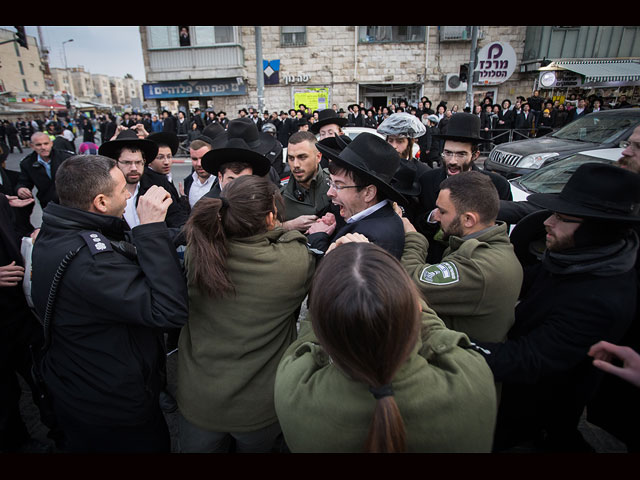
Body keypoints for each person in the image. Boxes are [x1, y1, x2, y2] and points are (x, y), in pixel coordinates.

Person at [476, 162, 640, 452]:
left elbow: (527, 359)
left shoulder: (602, 299)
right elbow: (520, 282)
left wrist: (450, 345)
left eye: (563, 218)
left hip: (532, 415)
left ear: (599, 229)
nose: (547, 222)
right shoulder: (576, 257)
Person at [274, 241, 497, 453]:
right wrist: (386, 281)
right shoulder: (471, 375)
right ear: (415, 312)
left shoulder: (293, 388)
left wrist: (332, 276)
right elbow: (435, 331)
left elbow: (307, 340)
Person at [31, 155, 188, 453]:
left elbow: (122, 242)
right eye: (122, 191)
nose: (129, 195)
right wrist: (151, 226)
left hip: (84, 380)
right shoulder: (90, 263)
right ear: (101, 202)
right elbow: (170, 311)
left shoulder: (62, 227)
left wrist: (187, 231)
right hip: (110, 403)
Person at [177, 175, 315, 453]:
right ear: (269, 218)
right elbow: (293, 242)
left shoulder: (198, 253)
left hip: (199, 399)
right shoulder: (294, 262)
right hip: (259, 407)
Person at [400, 171, 522, 345]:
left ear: (468, 220)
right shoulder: (484, 245)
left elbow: (410, 282)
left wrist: (413, 236)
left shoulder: (478, 266)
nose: (435, 216)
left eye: (442, 212)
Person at [415, 113, 512, 263]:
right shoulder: (427, 180)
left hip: (476, 266)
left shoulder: (498, 186)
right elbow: (417, 224)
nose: (452, 161)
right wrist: (432, 217)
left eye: (461, 154)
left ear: (475, 155)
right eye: (448, 153)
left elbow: (499, 234)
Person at [309, 133, 406, 259]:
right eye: (330, 182)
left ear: (368, 193)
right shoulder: (375, 218)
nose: (329, 193)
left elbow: (334, 275)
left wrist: (318, 237)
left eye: (338, 185)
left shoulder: (368, 240)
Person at [279, 131, 332, 232]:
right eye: (291, 158)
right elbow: (265, 230)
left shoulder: (337, 185)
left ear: (318, 157)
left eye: (302, 157)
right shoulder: (281, 197)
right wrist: (288, 226)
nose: (295, 165)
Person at [16, 132, 74, 210]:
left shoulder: (67, 158)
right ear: (32, 146)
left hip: (70, 202)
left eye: (46, 144)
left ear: (51, 144)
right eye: (38, 145)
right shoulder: (27, 163)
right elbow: (24, 181)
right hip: (48, 204)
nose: (43, 147)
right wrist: (21, 188)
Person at [183, 137, 216, 209]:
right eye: (194, 159)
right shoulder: (188, 181)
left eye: (203, 158)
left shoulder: (221, 182)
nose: (199, 164)